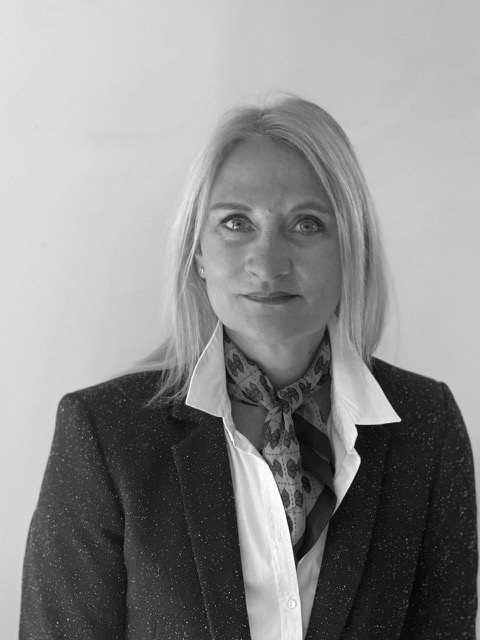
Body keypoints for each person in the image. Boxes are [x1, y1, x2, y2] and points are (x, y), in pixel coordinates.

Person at [20, 96, 477, 640]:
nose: (268, 264)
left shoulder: (426, 425)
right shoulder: (104, 432)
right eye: (236, 222)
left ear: (350, 249)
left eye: (307, 224)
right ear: (197, 253)